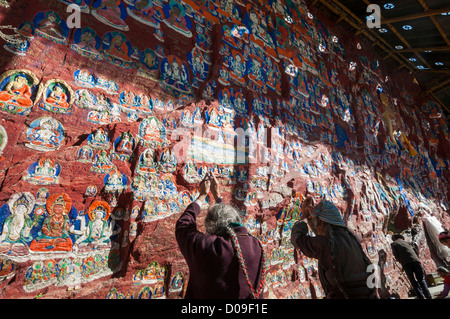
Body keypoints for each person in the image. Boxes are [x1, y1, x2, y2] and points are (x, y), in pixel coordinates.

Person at [175, 172, 265, 299]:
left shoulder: (209, 247)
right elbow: (227, 219)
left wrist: (202, 196)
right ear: (237, 219)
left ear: (212, 226)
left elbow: (183, 226)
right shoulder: (256, 245)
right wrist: (218, 196)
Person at [290, 196, 375, 299]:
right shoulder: (349, 238)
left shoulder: (325, 244)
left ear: (320, 222)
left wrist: (302, 218)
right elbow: (322, 234)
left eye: (316, 222)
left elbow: (297, 239)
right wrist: (310, 218)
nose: (316, 226)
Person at [391, 233, 432, 299]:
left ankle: (421, 297)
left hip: (406, 263)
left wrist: (400, 262)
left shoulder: (394, 243)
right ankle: (428, 296)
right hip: (416, 261)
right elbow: (415, 250)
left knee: (413, 281)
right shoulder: (407, 242)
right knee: (421, 280)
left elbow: (396, 255)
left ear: (394, 238)